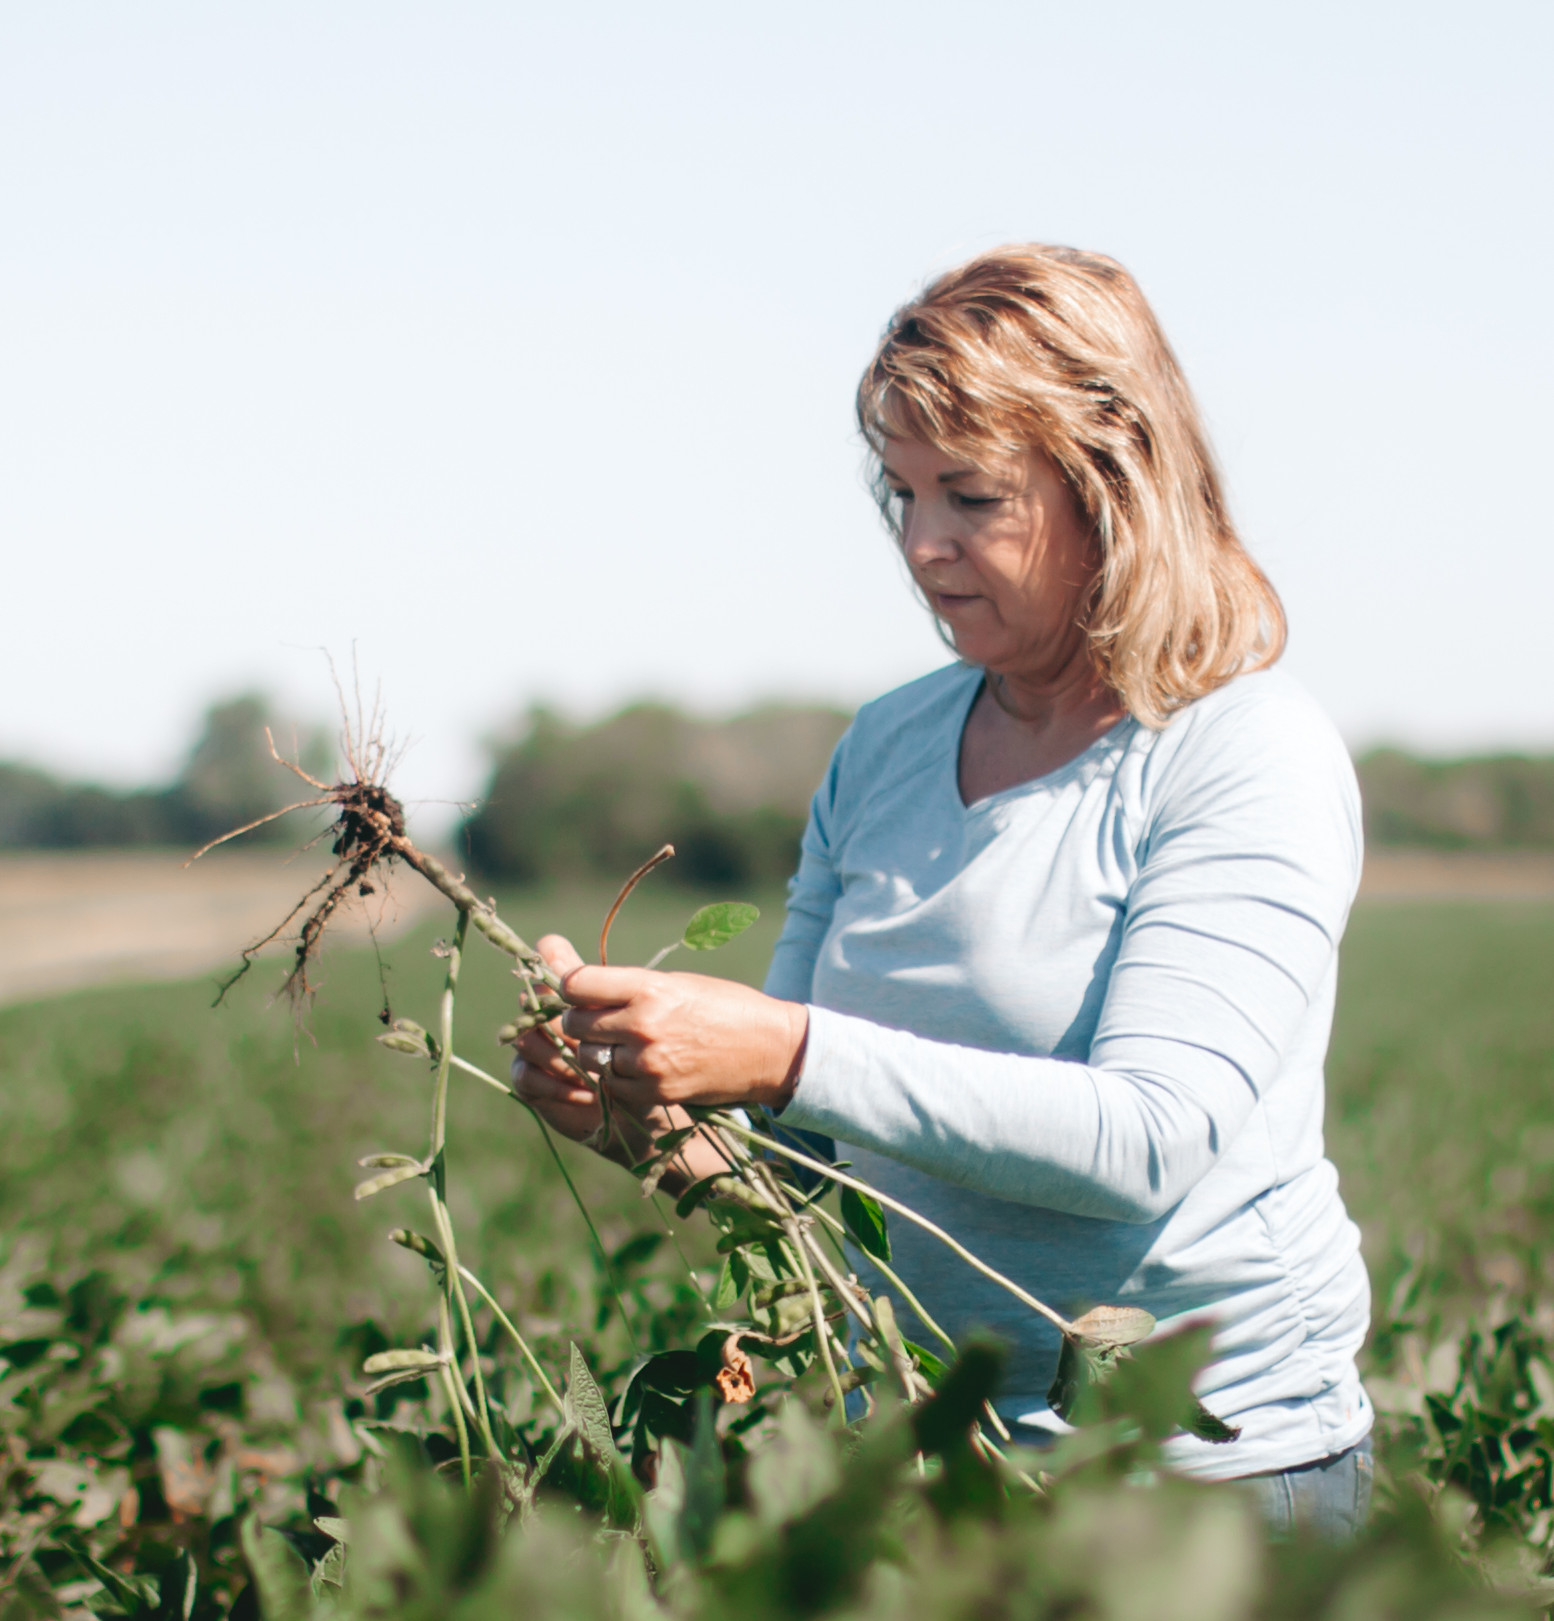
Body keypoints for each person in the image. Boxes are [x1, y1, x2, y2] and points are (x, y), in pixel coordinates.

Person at [515, 246, 1375, 1529]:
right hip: (925, 1464)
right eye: (902, 493)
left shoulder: (1242, 751)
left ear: (1113, 486)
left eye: (971, 498)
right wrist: (638, 1117)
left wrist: (783, 1049)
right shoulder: (886, 751)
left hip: (1206, 1484)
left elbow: (1148, 1137)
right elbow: (805, 1175)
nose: (923, 545)